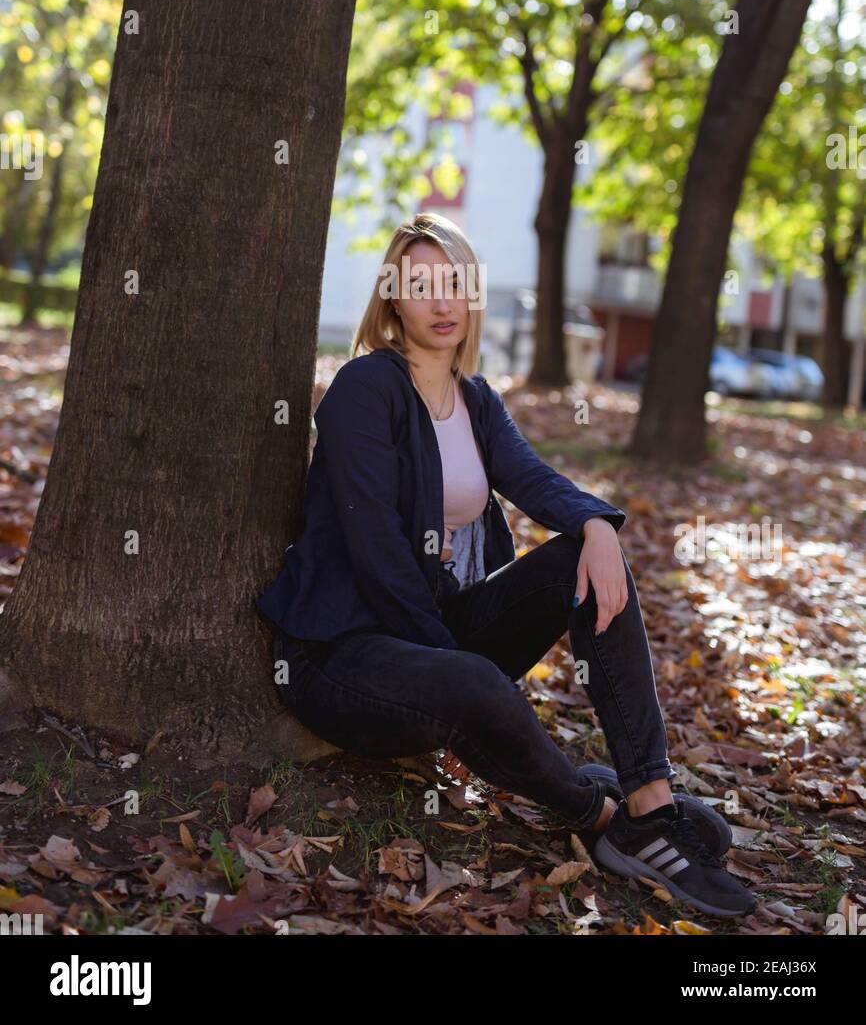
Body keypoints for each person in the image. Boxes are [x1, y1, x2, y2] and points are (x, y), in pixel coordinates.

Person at [256, 212, 755, 919]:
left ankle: (650, 800)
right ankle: (600, 819)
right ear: (393, 298)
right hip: (341, 650)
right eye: (421, 284)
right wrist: (459, 688)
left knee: (579, 564)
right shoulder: (366, 389)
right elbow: (377, 554)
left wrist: (596, 526)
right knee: (471, 682)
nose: (441, 301)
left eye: (454, 282)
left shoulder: (476, 399)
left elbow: (534, 477)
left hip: (431, 632)